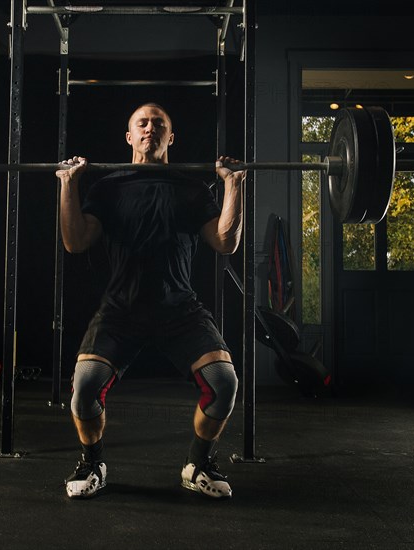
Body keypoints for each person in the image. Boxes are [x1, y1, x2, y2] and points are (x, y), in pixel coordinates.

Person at [56, 103, 245, 499]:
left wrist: (234, 185)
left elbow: (225, 241)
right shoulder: (107, 187)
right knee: (84, 387)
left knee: (224, 383)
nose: (150, 129)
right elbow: (74, 241)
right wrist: (68, 184)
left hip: (179, 308)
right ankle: (92, 463)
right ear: (129, 136)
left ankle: (199, 464)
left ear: (170, 138)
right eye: (142, 123)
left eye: (159, 124)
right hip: (120, 308)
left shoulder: (192, 189)